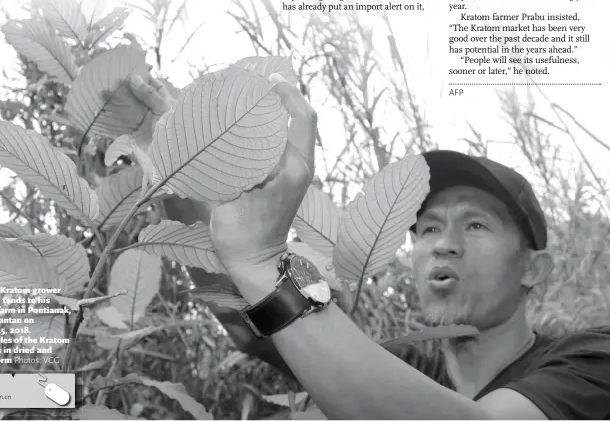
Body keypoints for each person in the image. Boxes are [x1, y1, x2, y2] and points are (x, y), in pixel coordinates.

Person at [130, 73, 610, 419]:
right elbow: (251, 322)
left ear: (534, 268)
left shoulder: (589, 363)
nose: (444, 245)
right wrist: (174, 174)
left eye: (476, 225)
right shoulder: (396, 364)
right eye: (427, 229)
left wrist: (261, 260)